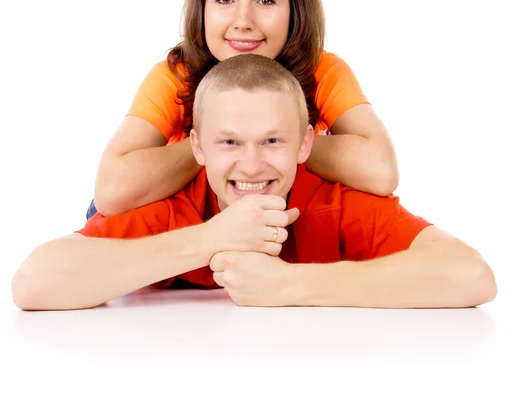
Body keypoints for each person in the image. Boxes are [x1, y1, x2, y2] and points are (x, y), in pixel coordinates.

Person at [12, 55, 496, 311]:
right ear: (196, 148)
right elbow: (33, 283)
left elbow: (471, 275)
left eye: (272, 141)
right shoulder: (175, 205)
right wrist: (211, 238)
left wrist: (292, 285)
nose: (250, 165)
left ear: (306, 144)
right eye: (228, 143)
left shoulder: (330, 200)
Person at [89, 0, 399, 219]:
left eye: (265, 1)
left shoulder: (324, 71)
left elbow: (381, 171)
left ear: (295, 9)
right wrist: (217, 146)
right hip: (192, 221)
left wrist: (282, 144)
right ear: (203, 8)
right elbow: (111, 191)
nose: (243, 22)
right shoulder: (175, 75)